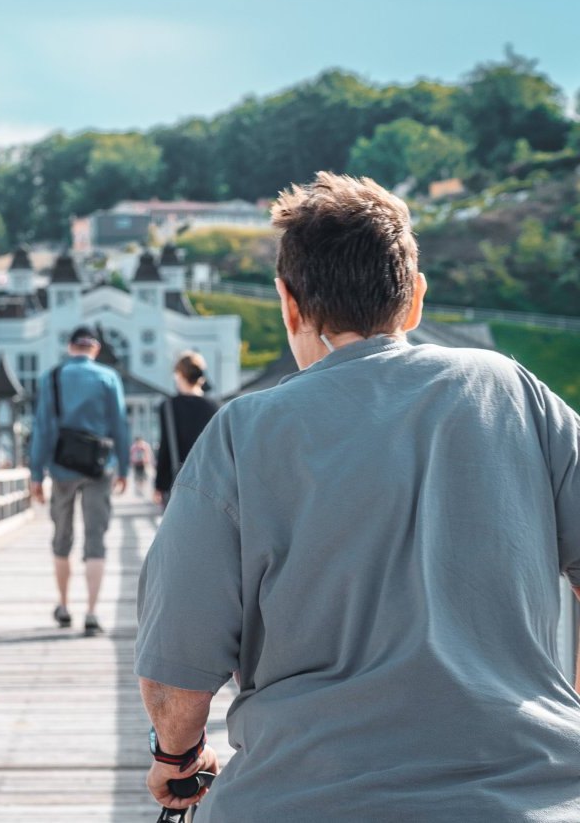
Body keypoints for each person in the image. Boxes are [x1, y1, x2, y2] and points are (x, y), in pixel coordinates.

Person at [135, 172, 580, 820]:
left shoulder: (242, 432)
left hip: (299, 800)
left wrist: (177, 758)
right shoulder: (516, 393)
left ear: (289, 303)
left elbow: (175, 678)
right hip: (529, 798)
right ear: (416, 299)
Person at [30, 325, 131, 636]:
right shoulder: (108, 377)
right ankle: (91, 612)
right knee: (95, 540)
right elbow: (120, 425)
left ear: (70, 347)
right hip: (100, 468)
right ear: (95, 348)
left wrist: (35, 473)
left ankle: (63, 606)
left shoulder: (52, 377)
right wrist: (125, 467)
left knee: (62, 537)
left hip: (61, 467)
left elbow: (43, 429)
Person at [154, 352, 219, 508]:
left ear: (178, 375)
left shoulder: (168, 406)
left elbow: (166, 447)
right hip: (207, 482)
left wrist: (159, 484)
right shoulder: (213, 406)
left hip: (177, 480)